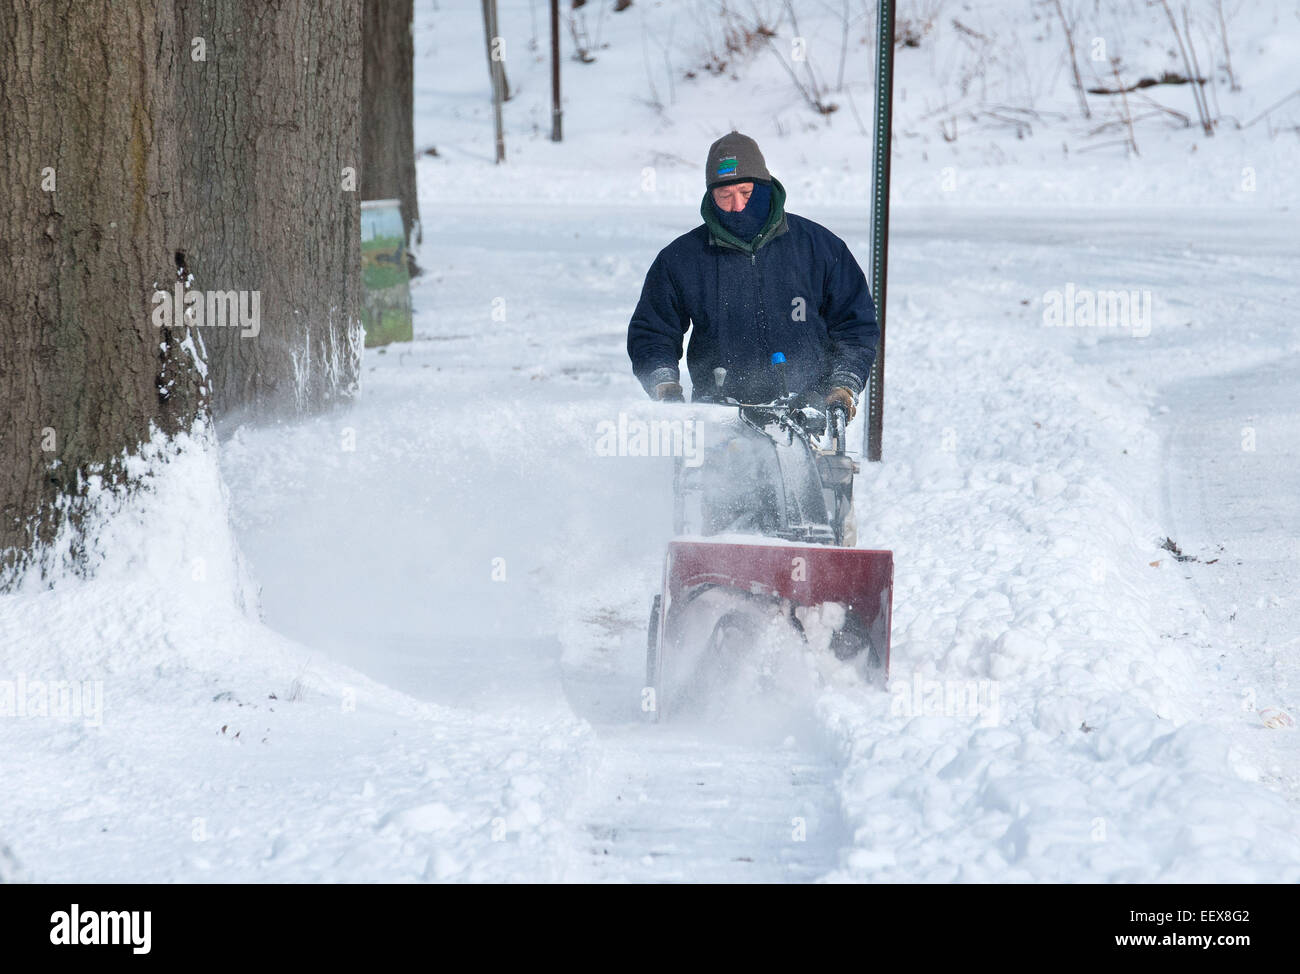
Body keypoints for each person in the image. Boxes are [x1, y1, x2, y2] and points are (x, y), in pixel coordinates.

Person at [626, 131, 878, 419]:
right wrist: (664, 383)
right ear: (711, 196)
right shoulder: (682, 259)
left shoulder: (818, 246)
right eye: (725, 196)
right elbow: (653, 332)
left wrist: (844, 384)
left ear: (764, 187)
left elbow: (855, 326)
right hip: (720, 413)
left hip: (808, 409)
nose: (737, 206)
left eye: (746, 193)